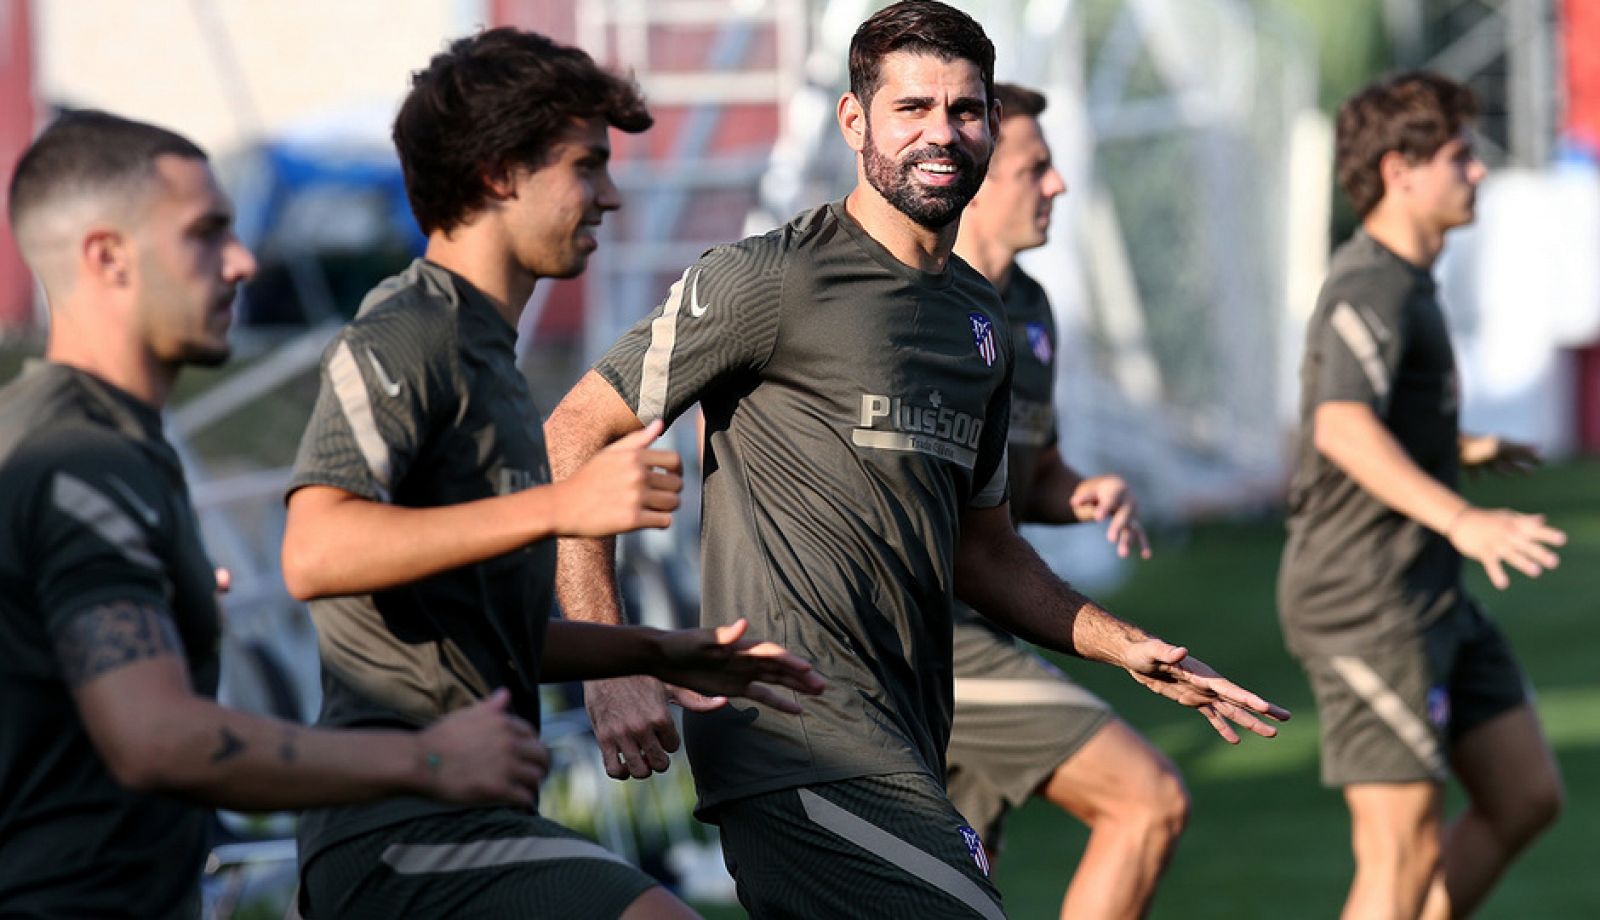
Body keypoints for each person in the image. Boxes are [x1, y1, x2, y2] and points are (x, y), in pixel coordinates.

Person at [547, 3, 1289, 917]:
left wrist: (1121, 644)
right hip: (796, 738)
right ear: (855, 121)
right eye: (913, 109)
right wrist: (613, 662)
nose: (943, 134)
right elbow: (576, 430)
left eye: (966, 111)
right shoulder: (764, 278)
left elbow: (985, 551)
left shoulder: (983, 320)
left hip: (910, 735)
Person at [278, 28, 824, 920]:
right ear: (498, 172)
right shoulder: (410, 328)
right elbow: (314, 549)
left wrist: (660, 651)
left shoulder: (490, 352)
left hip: (473, 814)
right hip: (397, 830)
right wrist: (561, 503)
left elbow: (475, 627)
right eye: (586, 166)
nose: (610, 195)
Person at [0, 110, 552, 919]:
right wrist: (425, 761)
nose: (243, 260)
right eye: (205, 233)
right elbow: (156, 738)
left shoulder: (64, 434)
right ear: (107, 257)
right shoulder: (83, 458)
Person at [1278, 72, 1567, 920]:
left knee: (1525, 794)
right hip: (1366, 601)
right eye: (1458, 157)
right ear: (1400, 170)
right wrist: (1463, 516)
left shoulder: (1410, 280)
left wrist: (1456, 447)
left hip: (1428, 591)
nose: (1476, 173)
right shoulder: (1370, 282)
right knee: (1398, 856)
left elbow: (1375, 420)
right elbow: (1339, 427)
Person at [945, 81, 1187, 920]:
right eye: (1036, 168)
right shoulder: (906, 303)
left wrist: (1079, 490)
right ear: (973, 174)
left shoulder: (1031, 310)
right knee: (1145, 798)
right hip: (923, 637)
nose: (1058, 186)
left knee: (950, 897)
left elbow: (1025, 471)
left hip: (990, 619)